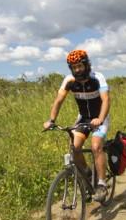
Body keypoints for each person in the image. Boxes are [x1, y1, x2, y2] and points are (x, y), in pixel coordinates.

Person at [43, 49, 111, 202]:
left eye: (80, 66)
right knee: (75, 147)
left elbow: (106, 100)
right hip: (83, 119)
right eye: (74, 67)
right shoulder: (69, 81)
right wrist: (51, 120)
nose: (77, 70)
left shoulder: (97, 78)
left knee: (95, 147)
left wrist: (100, 118)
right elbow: (58, 100)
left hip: (100, 118)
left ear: (86, 65)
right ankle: (87, 174)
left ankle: (101, 184)